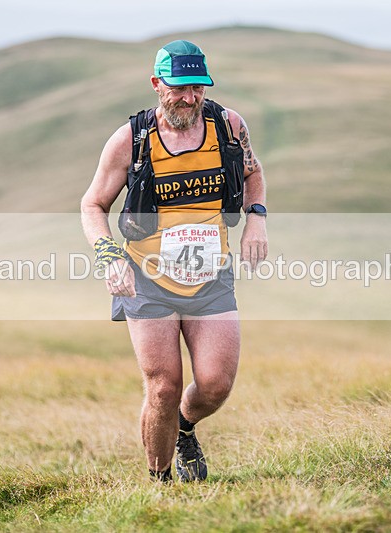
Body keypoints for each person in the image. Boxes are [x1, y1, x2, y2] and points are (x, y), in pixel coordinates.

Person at [80, 40, 267, 483]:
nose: (190, 98)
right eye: (180, 88)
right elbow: (93, 205)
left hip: (211, 276)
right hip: (147, 278)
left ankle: (184, 427)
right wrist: (109, 256)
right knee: (163, 387)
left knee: (216, 384)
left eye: (198, 87)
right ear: (156, 84)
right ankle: (160, 484)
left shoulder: (228, 126)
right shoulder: (130, 141)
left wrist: (256, 220)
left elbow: (253, 172)